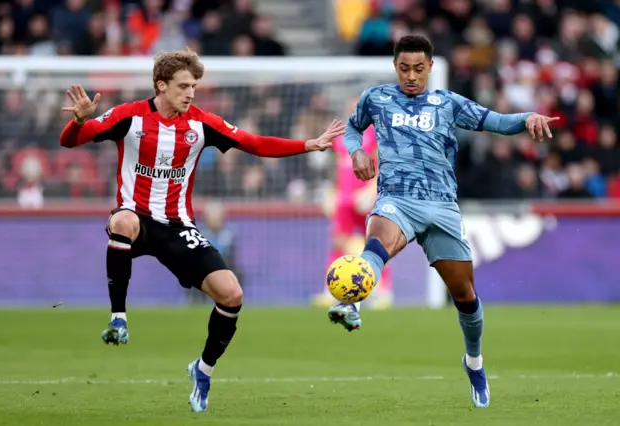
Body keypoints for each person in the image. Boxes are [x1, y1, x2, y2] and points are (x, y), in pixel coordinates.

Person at [59, 48, 344, 413]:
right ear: (161, 86)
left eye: (193, 85)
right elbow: (70, 141)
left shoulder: (201, 123)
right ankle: (119, 318)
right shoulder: (128, 117)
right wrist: (79, 121)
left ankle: (203, 369)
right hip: (138, 219)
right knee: (122, 221)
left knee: (232, 295)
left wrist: (309, 144)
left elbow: (253, 143)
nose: (190, 92)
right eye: (183, 86)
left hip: (178, 226)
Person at [327, 35, 558, 409]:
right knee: (377, 243)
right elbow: (353, 128)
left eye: (419, 69)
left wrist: (526, 118)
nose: (411, 76)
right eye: (404, 69)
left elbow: (494, 121)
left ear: (431, 67)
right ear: (395, 67)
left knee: (465, 296)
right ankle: (350, 302)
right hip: (396, 198)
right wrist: (355, 152)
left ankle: (474, 362)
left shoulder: (447, 103)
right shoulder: (377, 98)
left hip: (442, 207)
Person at [314, 98, 393, 309]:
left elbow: (384, 164)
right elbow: (337, 167)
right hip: (345, 199)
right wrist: (331, 192)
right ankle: (329, 290)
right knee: (339, 242)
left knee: (376, 242)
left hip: (367, 199)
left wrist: (371, 189)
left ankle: (383, 292)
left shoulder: (376, 134)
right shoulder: (341, 136)